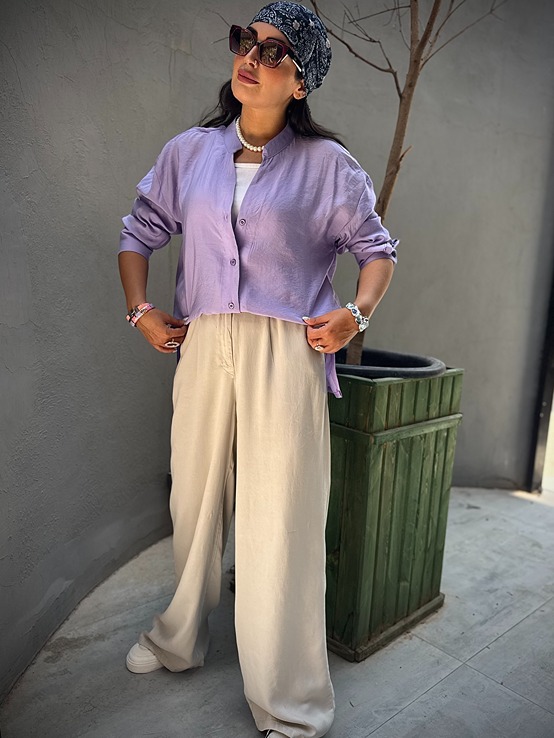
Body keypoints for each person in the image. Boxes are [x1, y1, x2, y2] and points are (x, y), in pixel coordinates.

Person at [118, 3, 398, 736]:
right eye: (248, 42)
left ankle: (288, 700)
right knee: (194, 500)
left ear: (301, 82)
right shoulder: (189, 152)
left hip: (286, 350)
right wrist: (140, 309)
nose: (252, 58)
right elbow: (138, 232)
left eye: (275, 53)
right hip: (205, 342)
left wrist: (356, 315)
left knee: (281, 519)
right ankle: (178, 637)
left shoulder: (328, 166)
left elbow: (376, 252)